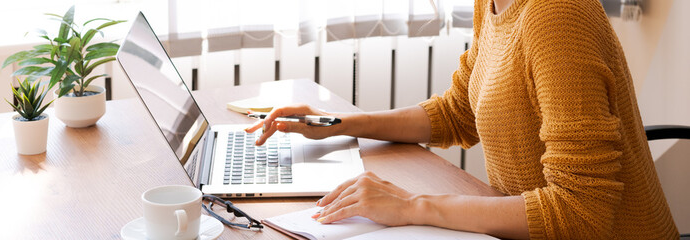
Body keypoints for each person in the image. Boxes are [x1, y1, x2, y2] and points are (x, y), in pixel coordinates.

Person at [245, 0, 679, 239]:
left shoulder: (557, 16)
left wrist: (414, 206)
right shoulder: (491, 4)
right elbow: (459, 111)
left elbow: (581, 212)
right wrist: (336, 123)